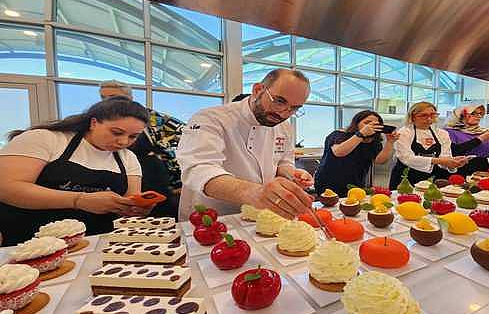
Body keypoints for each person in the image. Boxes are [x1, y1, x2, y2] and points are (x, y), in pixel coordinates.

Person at [0, 97, 151, 246]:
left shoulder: (128, 158)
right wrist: (79, 200)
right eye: (116, 132)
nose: (124, 142)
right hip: (29, 241)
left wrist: (134, 208)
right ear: (94, 123)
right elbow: (7, 188)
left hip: (97, 243)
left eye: (133, 136)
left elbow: (127, 204)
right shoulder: (46, 139)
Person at [176, 69, 314, 220]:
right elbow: (199, 169)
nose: (284, 113)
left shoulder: (285, 128)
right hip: (211, 218)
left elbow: (282, 162)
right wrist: (256, 193)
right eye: (279, 101)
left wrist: (292, 174)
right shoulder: (211, 118)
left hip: (259, 218)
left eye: (294, 108)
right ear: (257, 90)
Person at [99, 80, 184, 217]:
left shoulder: (155, 119)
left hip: (155, 180)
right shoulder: (99, 121)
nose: (107, 102)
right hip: (118, 181)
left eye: (114, 97)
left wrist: (180, 182)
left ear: (130, 99)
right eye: (103, 98)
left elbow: (181, 141)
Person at [314, 110, 399, 197]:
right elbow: (338, 152)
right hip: (328, 182)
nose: (371, 126)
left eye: (376, 124)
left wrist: (390, 142)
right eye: (367, 123)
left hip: (355, 183)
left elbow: (380, 161)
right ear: (356, 123)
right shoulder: (339, 134)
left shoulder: (374, 142)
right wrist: (361, 134)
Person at [389, 102, 469, 189]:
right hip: (406, 177)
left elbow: (444, 157)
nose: (429, 118)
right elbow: (407, 158)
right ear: (412, 116)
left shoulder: (442, 134)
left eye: (433, 115)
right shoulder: (404, 132)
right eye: (423, 115)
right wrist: (440, 161)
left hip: (432, 178)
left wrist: (452, 163)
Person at [445, 104, 489, 176]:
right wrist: (480, 139)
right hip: (460, 169)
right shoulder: (449, 132)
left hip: (483, 169)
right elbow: (454, 151)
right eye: (474, 113)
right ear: (461, 115)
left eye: (480, 114)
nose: (479, 116)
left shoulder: (484, 132)